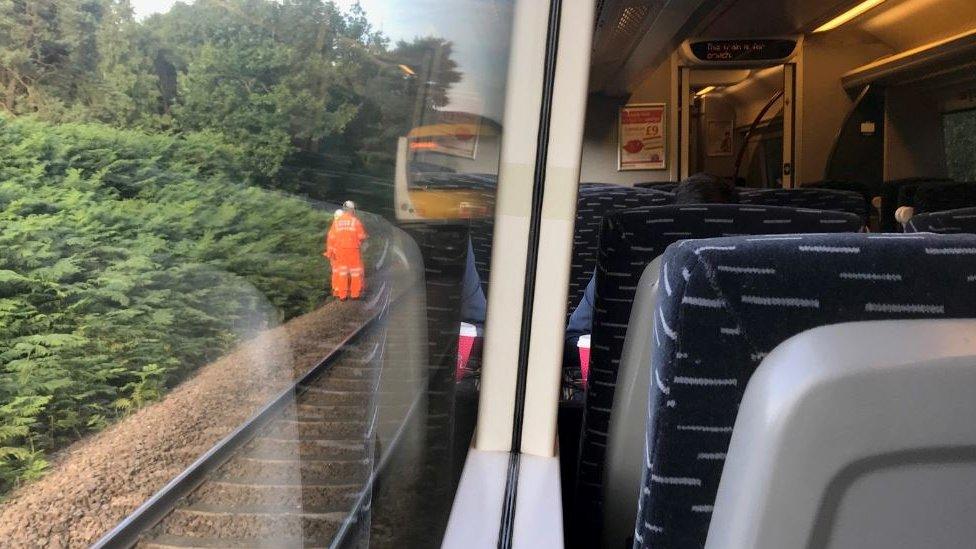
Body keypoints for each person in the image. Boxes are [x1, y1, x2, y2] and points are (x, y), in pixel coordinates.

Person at [325, 200, 368, 300]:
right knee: (355, 272)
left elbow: (331, 237)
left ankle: (342, 295)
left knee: (342, 272)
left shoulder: (337, 222)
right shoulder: (355, 221)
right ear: (352, 210)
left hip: (340, 251)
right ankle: (355, 294)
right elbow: (361, 236)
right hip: (353, 250)